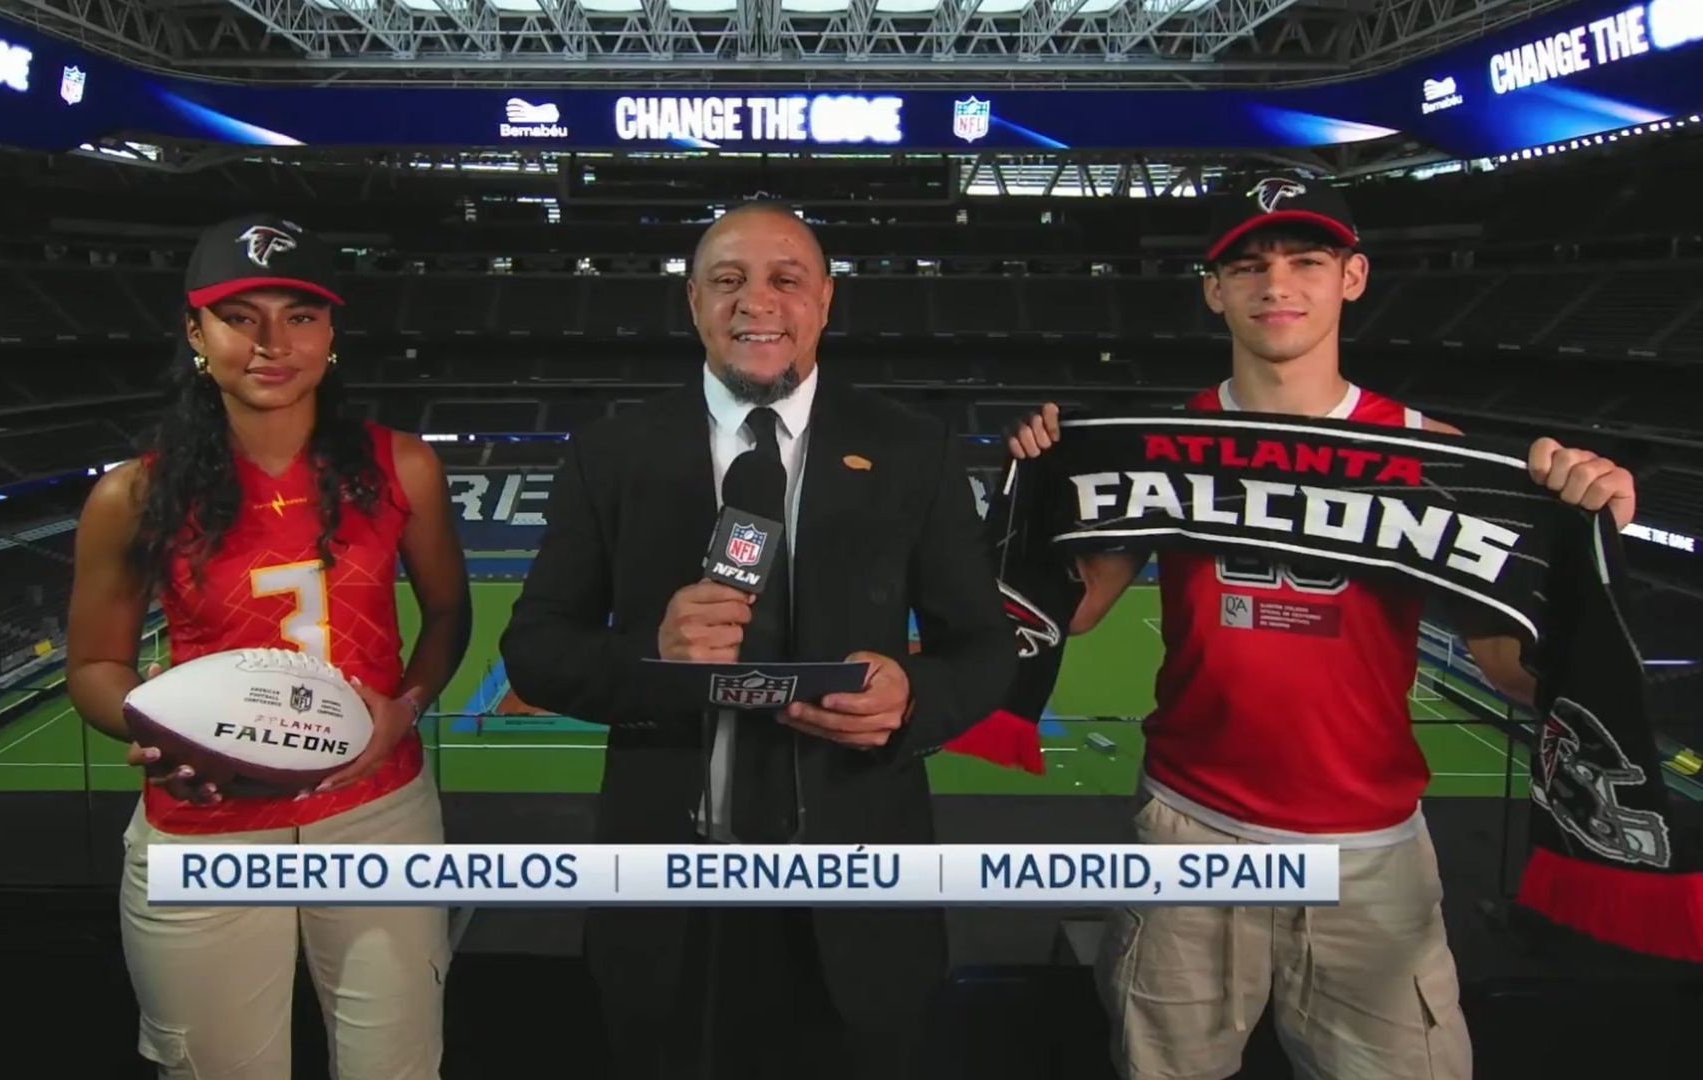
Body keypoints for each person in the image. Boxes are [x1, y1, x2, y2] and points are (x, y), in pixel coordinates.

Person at [1005, 175, 1637, 1080]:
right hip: (1194, 830)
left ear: (1352, 277)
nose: (1277, 285)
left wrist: (1587, 555)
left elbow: (1509, 667)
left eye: (1307, 260)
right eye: (1249, 265)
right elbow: (1083, 609)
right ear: (1213, 289)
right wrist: (1043, 489)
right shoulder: (1156, 437)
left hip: (1371, 848)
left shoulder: (1435, 451)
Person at [499, 201, 1015, 1080]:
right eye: (729, 281)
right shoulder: (611, 454)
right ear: (693, 301)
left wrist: (912, 697)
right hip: (671, 892)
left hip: (856, 891)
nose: (757, 303)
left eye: (786, 280)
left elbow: (986, 649)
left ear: (825, 301)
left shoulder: (914, 450)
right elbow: (536, 649)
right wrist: (651, 658)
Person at [65, 214, 471, 1080]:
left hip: (377, 819)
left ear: (332, 331)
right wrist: (147, 727)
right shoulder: (131, 494)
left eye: (300, 315)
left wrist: (407, 709)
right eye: (240, 316)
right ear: (194, 331)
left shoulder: (403, 468)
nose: (272, 343)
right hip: (202, 832)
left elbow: (446, 619)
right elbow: (94, 666)